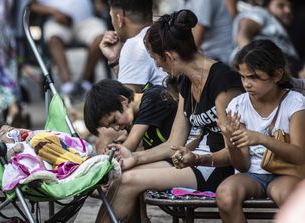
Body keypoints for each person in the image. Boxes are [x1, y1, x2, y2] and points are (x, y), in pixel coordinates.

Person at [95, 10, 244, 223]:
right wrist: (133, 156)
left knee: (128, 181)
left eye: (156, 59)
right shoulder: (187, 82)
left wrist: (200, 158)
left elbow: (235, 149)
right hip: (193, 161)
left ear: (169, 56)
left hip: (219, 167)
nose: (157, 66)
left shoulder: (222, 81)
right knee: (120, 176)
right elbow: (174, 143)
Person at [213, 39, 305, 222]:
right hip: (251, 174)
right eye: (243, 77)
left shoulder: (295, 103)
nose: (246, 84)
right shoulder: (238, 105)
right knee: (225, 195)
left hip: (286, 172)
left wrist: (261, 139)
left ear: (277, 74)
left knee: (290, 200)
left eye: (254, 77)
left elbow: (299, 155)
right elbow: (242, 166)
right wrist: (230, 141)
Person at [31, 0, 107, 96]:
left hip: (87, 20)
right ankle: (68, 85)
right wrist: (53, 11)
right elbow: (31, 5)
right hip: (57, 21)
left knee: (102, 37)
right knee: (53, 39)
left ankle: (85, 82)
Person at [83, 79, 178, 154]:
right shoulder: (134, 113)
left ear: (123, 100)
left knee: (121, 174)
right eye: (110, 126)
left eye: (114, 120)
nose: (116, 128)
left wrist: (112, 154)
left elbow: (130, 146)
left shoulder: (152, 98)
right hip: (169, 156)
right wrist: (118, 142)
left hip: (183, 155)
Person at [99, 0, 166, 93]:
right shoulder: (163, 31)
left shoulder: (134, 45)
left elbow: (127, 102)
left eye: (111, 16)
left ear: (119, 18)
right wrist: (114, 60)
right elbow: (139, 90)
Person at [231, 0, 302, 74]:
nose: (288, 10)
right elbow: (242, 35)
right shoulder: (260, 12)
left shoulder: (281, 27)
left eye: (290, 7)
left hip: (289, 67)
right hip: (264, 63)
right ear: (267, 6)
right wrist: (253, 62)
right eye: (281, 5)